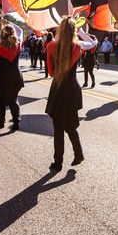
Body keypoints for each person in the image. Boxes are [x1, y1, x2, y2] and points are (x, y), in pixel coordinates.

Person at [45, 16, 97, 171]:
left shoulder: (51, 46)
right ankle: (78, 153)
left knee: (58, 128)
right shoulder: (78, 46)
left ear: (60, 29)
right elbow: (94, 43)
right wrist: (81, 32)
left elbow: (51, 72)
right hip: (72, 90)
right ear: (74, 31)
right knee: (71, 125)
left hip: (58, 88)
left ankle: (58, 162)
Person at [0, 25, 24, 130]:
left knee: (0, 100)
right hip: (15, 75)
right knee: (13, 99)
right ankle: (16, 122)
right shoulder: (18, 45)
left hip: (1, 75)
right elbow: (20, 33)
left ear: (3, 33)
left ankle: (0, 122)